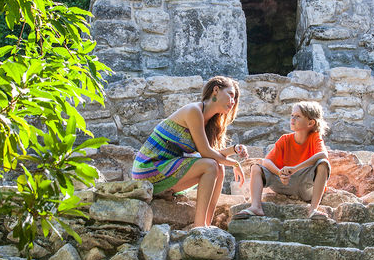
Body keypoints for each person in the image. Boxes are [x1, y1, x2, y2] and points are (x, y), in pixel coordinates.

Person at [132, 76, 247, 227]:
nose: (232, 101)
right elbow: (206, 153)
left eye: (235, 98)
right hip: (149, 168)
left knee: (218, 168)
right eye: (231, 95)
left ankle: (206, 224)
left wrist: (233, 150)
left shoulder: (209, 122)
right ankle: (199, 227)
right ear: (216, 90)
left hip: (166, 169)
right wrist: (234, 163)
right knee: (211, 165)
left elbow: (208, 151)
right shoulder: (194, 111)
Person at [233, 101, 331, 220]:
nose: (293, 119)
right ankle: (256, 207)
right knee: (256, 167)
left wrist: (295, 169)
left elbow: (323, 154)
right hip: (283, 182)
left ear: (311, 123)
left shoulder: (315, 137)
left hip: (305, 187)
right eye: (292, 115)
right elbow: (267, 161)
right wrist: (279, 172)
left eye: (298, 116)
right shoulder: (285, 139)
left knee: (323, 164)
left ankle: (313, 209)